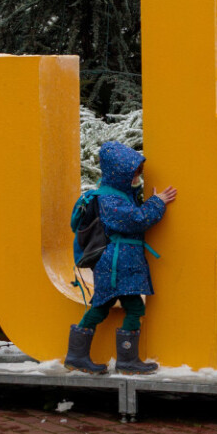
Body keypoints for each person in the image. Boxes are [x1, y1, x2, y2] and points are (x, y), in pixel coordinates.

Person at [65, 140, 176, 375]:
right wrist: (157, 203)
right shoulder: (109, 198)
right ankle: (123, 360)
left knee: (103, 306)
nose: (137, 178)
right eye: (133, 174)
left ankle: (79, 356)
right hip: (117, 263)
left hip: (121, 262)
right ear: (119, 174)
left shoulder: (118, 195)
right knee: (129, 307)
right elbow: (134, 220)